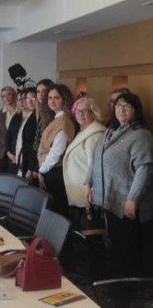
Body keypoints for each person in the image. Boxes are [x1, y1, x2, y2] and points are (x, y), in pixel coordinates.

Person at [85, 92, 153, 278]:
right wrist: (87, 183)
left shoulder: (141, 135)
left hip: (125, 203)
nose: (121, 110)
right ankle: (115, 284)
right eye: (118, 106)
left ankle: (125, 290)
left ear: (136, 110)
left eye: (126, 106)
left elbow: (144, 169)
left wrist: (133, 198)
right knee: (113, 248)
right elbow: (95, 160)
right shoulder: (109, 131)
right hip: (106, 201)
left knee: (125, 251)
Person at [62, 97, 106, 279]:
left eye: (85, 111)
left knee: (93, 236)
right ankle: (91, 273)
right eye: (78, 111)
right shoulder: (84, 132)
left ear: (93, 113)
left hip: (87, 194)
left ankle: (97, 275)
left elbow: (93, 167)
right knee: (86, 235)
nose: (80, 114)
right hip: (79, 192)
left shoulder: (94, 134)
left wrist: (91, 191)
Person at [36, 84, 76, 216]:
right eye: (49, 98)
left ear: (64, 100)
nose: (52, 101)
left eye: (56, 98)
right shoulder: (57, 118)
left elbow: (56, 153)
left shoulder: (63, 121)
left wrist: (41, 170)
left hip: (55, 172)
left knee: (55, 212)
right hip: (50, 171)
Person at [0, 86, 18, 172]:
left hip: (15, 151)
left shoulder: (21, 112)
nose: (6, 98)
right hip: (0, 152)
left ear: (14, 95)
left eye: (9, 94)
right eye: (3, 96)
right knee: (1, 177)